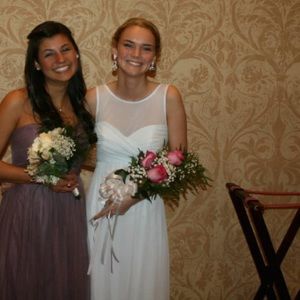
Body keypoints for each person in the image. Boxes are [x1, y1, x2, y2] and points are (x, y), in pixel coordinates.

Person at [85, 17, 187, 300]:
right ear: (115, 50)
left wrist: (135, 196)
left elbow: (178, 160)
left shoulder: (169, 96)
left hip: (144, 206)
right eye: (129, 45)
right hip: (101, 204)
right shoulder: (94, 98)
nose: (136, 55)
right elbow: (77, 152)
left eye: (146, 48)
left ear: (154, 57)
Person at [0, 21, 96, 300]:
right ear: (37, 64)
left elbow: (89, 159)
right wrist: (42, 176)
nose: (60, 59)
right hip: (28, 212)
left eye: (66, 49)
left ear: (77, 54)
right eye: (49, 53)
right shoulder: (18, 101)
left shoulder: (83, 106)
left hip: (69, 212)